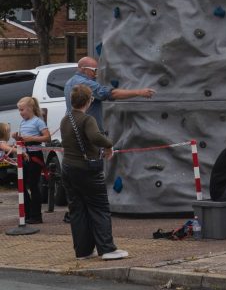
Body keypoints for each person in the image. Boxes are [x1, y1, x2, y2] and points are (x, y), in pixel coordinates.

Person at [59, 84, 128, 260]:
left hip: (68, 167)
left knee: (77, 209)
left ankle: (83, 251)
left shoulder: (65, 119)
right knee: (99, 208)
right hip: (86, 169)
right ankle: (107, 248)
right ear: (89, 101)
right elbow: (95, 137)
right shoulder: (87, 119)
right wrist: (109, 144)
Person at [64, 57, 155, 133]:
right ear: (84, 69)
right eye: (94, 70)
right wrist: (139, 92)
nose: (96, 74)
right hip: (88, 132)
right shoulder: (85, 84)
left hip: (74, 130)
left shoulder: (69, 82)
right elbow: (111, 93)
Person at [13, 97, 50, 224]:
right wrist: (17, 137)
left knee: (33, 185)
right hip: (24, 155)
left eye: (22, 110)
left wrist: (31, 138)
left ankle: (36, 216)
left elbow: (47, 137)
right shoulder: (23, 122)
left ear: (30, 109)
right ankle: (27, 214)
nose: (20, 112)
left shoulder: (38, 121)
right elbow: (22, 139)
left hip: (35, 156)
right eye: (19, 110)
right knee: (22, 185)